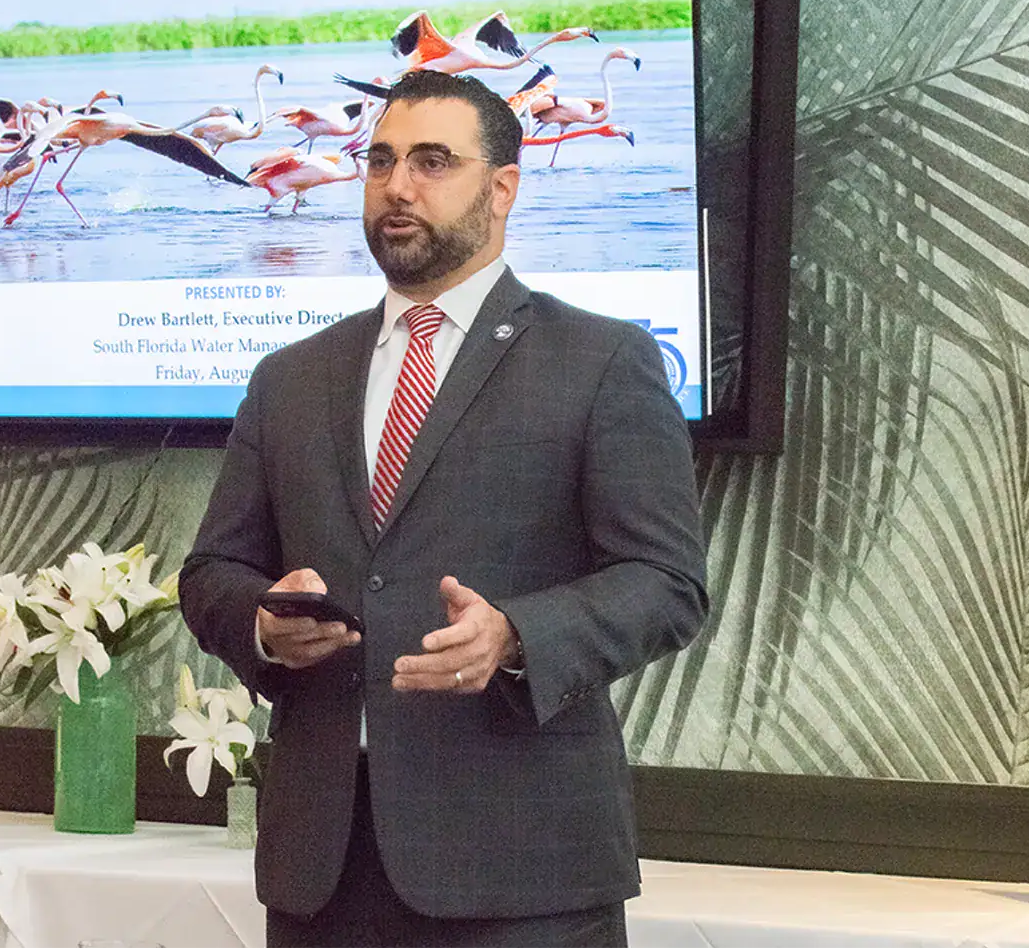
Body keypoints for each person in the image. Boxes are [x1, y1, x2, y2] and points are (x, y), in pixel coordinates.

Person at [179, 69, 708, 948]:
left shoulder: (601, 359)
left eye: (432, 161)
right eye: (380, 160)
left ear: (502, 188)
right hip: (322, 873)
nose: (397, 185)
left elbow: (666, 582)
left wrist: (516, 636)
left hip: (523, 874)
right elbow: (213, 574)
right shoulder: (291, 378)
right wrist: (264, 625)